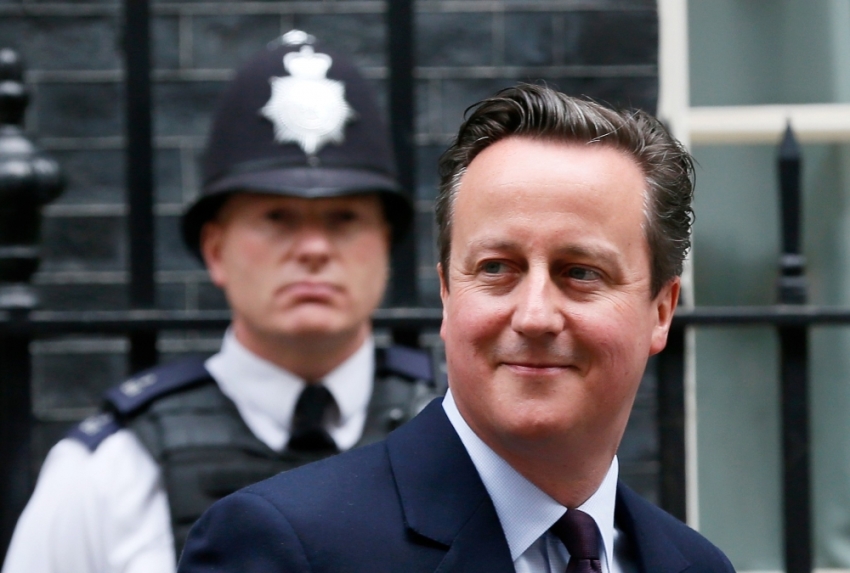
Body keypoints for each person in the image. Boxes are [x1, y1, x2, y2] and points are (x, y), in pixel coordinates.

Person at [176, 84, 735, 572]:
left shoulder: (694, 564)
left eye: (580, 273)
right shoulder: (283, 547)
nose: (535, 315)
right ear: (447, 293)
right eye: (497, 268)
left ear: (661, 310)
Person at [1, 30, 439, 573]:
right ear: (215, 249)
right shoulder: (110, 470)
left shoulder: (453, 431)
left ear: (386, 246)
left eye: (344, 218)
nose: (313, 249)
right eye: (276, 218)